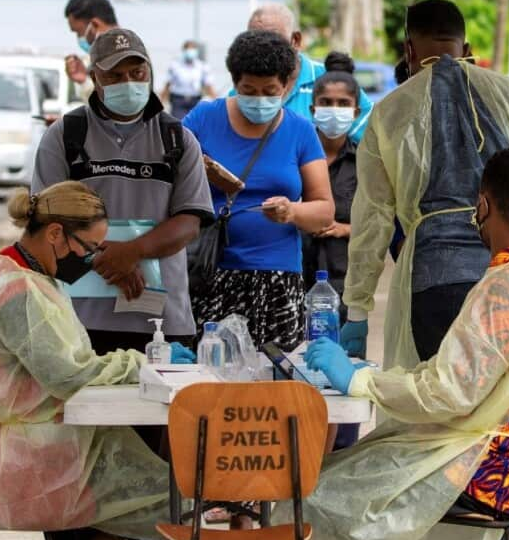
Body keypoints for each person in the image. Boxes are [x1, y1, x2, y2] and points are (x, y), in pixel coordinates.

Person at [302, 148, 509, 540]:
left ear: (482, 205)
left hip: (480, 469)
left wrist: (361, 381)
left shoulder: (504, 287)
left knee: (315, 492)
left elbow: (447, 393)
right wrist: (387, 377)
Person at [0, 182, 187, 540]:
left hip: (35, 438)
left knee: (168, 500)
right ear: (55, 233)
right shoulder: (18, 290)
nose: (91, 261)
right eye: (88, 249)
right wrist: (137, 362)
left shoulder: (23, 271)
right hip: (23, 454)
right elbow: (68, 375)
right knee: (175, 508)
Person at [342, 0, 509, 371]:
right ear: (468, 49)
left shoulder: (390, 111)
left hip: (435, 280)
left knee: (443, 406)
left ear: (408, 49)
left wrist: (357, 309)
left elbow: (372, 218)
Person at [32, 28, 212, 354]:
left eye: (136, 72)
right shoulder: (65, 135)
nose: (128, 82)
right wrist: (108, 257)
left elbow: (190, 222)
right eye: (114, 75)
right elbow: (44, 223)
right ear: (95, 78)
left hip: (163, 323)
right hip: (77, 321)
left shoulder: (177, 139)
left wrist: (134, 252)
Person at [182, 29, 334, 350]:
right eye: (249, 90)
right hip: (211, 274)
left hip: (278, 278)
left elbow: (323, 210)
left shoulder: (300, 131)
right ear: (234, 82)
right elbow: (171, 179)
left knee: (276, 380)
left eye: (270, 91)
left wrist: (292, 211)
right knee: (212, 375)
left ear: (287, 87)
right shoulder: (204, 119)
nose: (260, 100)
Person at [302, 51, 363, 450]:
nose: (334, 111)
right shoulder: (296, 153)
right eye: (327, 103)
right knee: (299, 380)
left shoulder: (367, 162)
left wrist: (343, 228)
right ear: (312, 107)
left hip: (349, 289)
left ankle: (341, 462)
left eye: (343, 105)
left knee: (348, 382)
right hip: (296, 286)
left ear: (356, 110)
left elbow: (384, 222)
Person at [245, 2, 374, 143]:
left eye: (272, 39)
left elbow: (375, 144)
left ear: (295, 40)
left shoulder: (332, 82)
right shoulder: (244, 91)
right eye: (254, 41)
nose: (262, 48)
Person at [63, 0, 119, 95]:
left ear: (94, 25)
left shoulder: (124, 56)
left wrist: (85, 82)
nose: (79, 38)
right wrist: (83, 79)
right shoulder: (102, 56)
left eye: (79, 32)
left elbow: (116, 104)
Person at [162, 40, 217, 118]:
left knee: (195, 125)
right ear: (183, 51)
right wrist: (161, 101)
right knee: (179, 125)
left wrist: (217, 102)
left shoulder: (202, 66)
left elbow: (209, 86)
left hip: (195, 101)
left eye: (192, 49)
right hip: (178, 101)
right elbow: (167, 84)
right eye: (188, 49)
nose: (190, 52)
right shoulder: (175, 66)